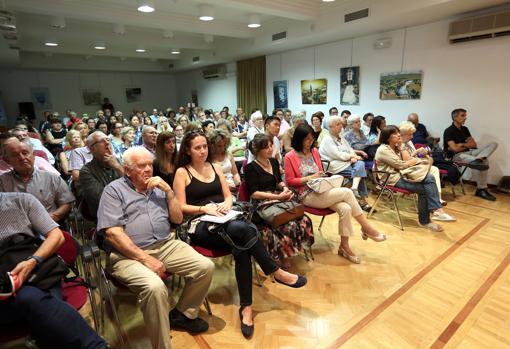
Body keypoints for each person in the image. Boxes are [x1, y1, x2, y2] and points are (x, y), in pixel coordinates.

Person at [173, 130, 307, 338]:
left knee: (241, 245)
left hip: (224, 217)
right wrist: (205, 209)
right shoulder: (183, 172)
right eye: (197, 148)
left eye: (204, 147)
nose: (202, 151)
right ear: (188, 151)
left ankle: (247, 308)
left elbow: (228, 196)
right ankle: (274, 271)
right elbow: (180, 206)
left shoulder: (215, 167)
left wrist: (225, 206)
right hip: (199, 224)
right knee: (243, 230)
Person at [97, 147, 213, 349]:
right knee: (155, 287)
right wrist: (144, 258)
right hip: (127, 255)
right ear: (128, 170)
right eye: (142, 166)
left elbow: (177, 219)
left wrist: (168, 192)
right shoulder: (113, 191)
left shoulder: (159, 186)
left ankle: (183, 314)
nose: (148, 169)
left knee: (205, 266)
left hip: (165, 244)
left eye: (150, 164)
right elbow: (113, 234)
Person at [0, 192, 115, 349]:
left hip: (37, 272)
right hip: (8, 289)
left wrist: (32, 261)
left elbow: (57, 236)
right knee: (34, 301)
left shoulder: (20, 200)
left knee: (45, 313)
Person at [285, 124, 386, 264]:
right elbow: (290, 181)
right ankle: (367, 227)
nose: (310, 142)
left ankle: (344, 246)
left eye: (311, 139)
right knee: (347, 192)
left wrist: (323, 177)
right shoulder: (290, 156)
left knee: (346, 208)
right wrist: (310, 178)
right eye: (307, 139)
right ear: (299, 139)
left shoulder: (314, 151)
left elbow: (320, 172)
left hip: (320, 189)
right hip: (304, 195)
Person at [246, 134, 314, 267]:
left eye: (271, 146)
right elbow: (254, 193)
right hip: (261, 204)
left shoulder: (273, 162)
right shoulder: (250, 168)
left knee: (304, 219)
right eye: (266, 147)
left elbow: (277, 182)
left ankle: (291, 249)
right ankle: (282, 255)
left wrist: (284, 189)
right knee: (289, 224)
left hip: (278, 198)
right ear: (257, 150)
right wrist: (278, 197)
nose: (270, 149)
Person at [375, 126, 455, 232]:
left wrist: (408, 151)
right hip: (392, 178)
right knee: (426, 188)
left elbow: (408, 161)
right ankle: (430, 217)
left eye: (398, 132)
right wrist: (411, 161)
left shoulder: (396, 146)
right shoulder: (383, 149)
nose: (399, 135)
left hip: (404, 174)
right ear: (387, 137)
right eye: (395, 133)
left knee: (429, 178)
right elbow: (401, 165)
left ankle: (435, 213)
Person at [0, 138, 75, 224]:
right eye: (15, 155)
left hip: (49, 224)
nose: (21, 157)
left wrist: (53, 217)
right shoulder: (2, 182)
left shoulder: (52, 178)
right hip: (15, 228)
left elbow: (67, 202)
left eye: (25, 153)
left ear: (33, 155)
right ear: (7, 161)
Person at [319, 116, 372, 211]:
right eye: (338, 124)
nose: (341, 126)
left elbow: (350, 149)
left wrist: (353, 156)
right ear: (330, 127)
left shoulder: (341, 137)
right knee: (359, 172)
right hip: (335, 166)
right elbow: (337, 155)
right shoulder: (327, 139)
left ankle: (354, 189)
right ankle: (361, 201)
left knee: (360, 165)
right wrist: (352, 157)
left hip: (346, 163)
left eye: (341, 124)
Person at [443, 108, 498, 201]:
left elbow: (474, 144)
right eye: (463, 115)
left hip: (469, 152)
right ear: (455, 117)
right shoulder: (449, 131)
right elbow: (455, 149)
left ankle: (479, 159)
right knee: (484, 162)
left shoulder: (465, 129)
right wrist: (464, 145)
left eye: (465, 115)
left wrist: (462, 144)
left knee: (493, 144)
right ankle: (481, 190)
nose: (465, 118)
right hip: (457, 156)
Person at [79, 132, 123, 220]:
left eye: (108, 139)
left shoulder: (120, 162)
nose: (107, 143)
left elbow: (135, 187)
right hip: (105, 215)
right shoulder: (86, 171)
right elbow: (102, 199)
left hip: (127, 209)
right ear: (92, 149)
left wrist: (118, 167)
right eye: (102, 141)